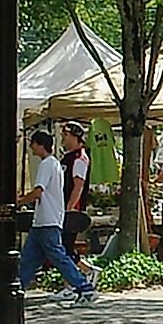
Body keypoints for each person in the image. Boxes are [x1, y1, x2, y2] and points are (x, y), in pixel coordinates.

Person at [16, 131, 96, 303]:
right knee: (29, 258)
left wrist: (20, 201)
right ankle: (17, 287)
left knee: (58, 256)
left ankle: (84, 286)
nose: (31, 148)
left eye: (33, 144)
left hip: (47, 220)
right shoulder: (56, 164)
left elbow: (38, 191)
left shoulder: (46, 165)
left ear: (40, 145)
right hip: (44, 221)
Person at [59, 121, 99, 294]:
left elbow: (78, 185)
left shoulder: (80, 158)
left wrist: (69, 209)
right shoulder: (69, 157)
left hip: (71, 210)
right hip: (63, 208)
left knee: (64, 247)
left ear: (76, 137)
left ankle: (72, 284)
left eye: (65, 135)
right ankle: (86, 272)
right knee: (63, 247)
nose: (63, 138)